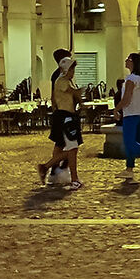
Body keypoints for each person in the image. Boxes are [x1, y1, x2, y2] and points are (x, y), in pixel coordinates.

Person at [39, 49, 84, 191]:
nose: (73, 72)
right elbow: (76, 94)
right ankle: (71, 178)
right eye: (71, 69)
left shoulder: (63, 80)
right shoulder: (63, 81)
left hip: (63, 116)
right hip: (66, 117)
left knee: (60, 146)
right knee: (72, 149)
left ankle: (52, 171)